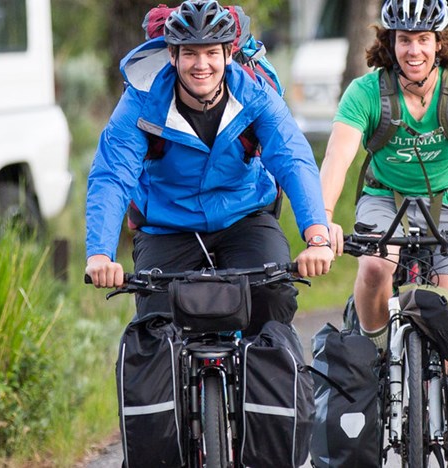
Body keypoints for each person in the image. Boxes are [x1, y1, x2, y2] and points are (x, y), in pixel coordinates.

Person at [84, 0, 334, 334]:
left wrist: (317, 235)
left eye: (211, 53)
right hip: (167, 225)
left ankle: (268, 383)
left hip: (243, 217)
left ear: (229, 54)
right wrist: (100, 253)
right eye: (190, 53)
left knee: (272, 303)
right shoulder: (142, 102)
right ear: (172, 56)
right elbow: (113, 175)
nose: (201, 64)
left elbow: (293, 159)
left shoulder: (255, 95)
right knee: (155, 327)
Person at [317, 0, 448, 344]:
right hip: (384, 199)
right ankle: (375, 348)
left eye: (423, 39)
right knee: (374, 268)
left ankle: (442, 386)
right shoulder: (365, 93)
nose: (414, 51)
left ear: (440, 42)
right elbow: (337, 157)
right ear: (390, 42)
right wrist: (322, 218)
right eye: (405, 40)